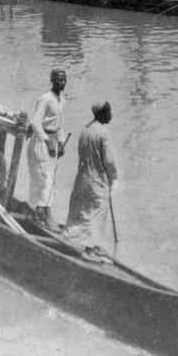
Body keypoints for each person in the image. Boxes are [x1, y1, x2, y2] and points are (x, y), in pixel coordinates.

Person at [64, 102, 120, 248]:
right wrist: (114, 178)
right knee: (96, 216)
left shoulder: (85, 130)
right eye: (109, 111)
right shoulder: (104, 132)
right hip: (97, 182)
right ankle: (89, 249)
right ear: (102, 113)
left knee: (79, 215)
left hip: (81, 179)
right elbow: (109, 160)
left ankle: (71, 244)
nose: (111, 115)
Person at [26, 68, 67, 227]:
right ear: (52, 80)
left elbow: (60, 125)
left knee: (50, 179)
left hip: (53, 141)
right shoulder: (45, 99)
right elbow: (36, 123)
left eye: (63, 80)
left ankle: (43, 212)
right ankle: (41, 213)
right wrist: (48, 142)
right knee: (43, 178)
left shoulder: (62, 100)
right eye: (58, 80)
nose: (61, 83)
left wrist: (61, 143)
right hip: (40, 142)